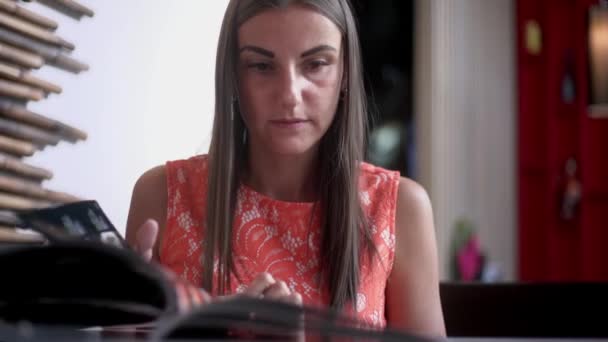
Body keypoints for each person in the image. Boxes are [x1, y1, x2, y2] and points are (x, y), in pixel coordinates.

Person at [125, 0, 445, 337]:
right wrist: (123, 327)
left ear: (346, 71)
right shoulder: (161, 197)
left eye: (316, 63)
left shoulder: (399, 210)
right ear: (232, 74)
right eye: (262, 66)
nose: (290, 95)